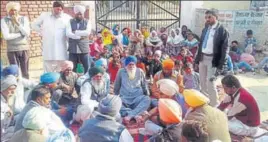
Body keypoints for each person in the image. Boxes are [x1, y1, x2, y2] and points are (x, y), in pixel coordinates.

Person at [195, 9, 229, 107]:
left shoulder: (222, 30)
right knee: (202, 82)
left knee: (210, 83)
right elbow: (201, 45)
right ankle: (205, 102)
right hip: (203, 58)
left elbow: (225, 49)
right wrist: (197, 60)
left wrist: (221, 65)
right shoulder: (206, 28)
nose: (207, 19)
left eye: (209, 17)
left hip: (213, 60)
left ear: (216, 17)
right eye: (206, 17)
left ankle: (214, 105)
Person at [31, 1, 72, 72]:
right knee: (48, 70)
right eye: (57, 9)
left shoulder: (67, 18)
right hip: (48, 50)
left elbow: (72, 29)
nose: (58, 11)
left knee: (61, 69)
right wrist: (41, 32)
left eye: (60, 9)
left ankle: (60, 82)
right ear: (53, 8)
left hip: (61, 49)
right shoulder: (45, 16)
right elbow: (34, 25)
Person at [114, 56, 150, 123]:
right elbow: (117, 85)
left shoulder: (140, 71)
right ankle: (136, 114)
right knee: (116, 103)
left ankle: (129, 115)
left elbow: (144, 85)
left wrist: (147, 94)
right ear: (126, 64)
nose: (131, 66)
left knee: (147, 99)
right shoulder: (121, 71)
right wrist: (115, 97)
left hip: (137, 98)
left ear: (135, 64)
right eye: (129, 64)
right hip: (124, 99)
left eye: (133, 64)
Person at [1, 2, 30, 79]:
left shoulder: (24, 19)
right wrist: (20, 34)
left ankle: (26, 88)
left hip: (24, 48)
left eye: (15, 10)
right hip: (12, 49)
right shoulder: (4, 20)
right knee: (14, 72)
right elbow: (6, 36)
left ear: (18, 10)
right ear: (8, 10)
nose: (13, 12)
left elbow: (27, 33)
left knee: (25, 72)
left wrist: (17, 23)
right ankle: (16, 88)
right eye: (11, 10)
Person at [66, 5, 91, 74]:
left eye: (81, 14)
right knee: (72, 67)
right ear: (75, 14)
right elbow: (68, 33)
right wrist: (79, 37)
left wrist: (75, 32)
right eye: (78, 14)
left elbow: (87, 32)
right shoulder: (70, 22)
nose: (79, 16)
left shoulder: (87, 21)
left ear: (83, 14)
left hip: (84, 48)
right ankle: (73, 81)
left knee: (86, 67)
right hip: (73, 48)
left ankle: (86, 80)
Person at [1, 75, 17, 142]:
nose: (13, 92)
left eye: (14, 90)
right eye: (11, 90)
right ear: (3, 88)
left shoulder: (8, 97)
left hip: (7, 126)